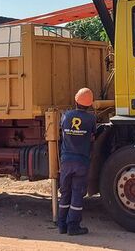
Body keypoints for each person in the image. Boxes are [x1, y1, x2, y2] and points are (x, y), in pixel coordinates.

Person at [58, 87, 96, 236]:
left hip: (66, 161)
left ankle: (62, 225)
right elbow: (93, 136)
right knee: (77, 193)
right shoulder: (91, 119)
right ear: (90, 104)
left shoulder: (66, 116)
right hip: (81, 161)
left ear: (76, 100)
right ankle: (73, 226)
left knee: (65, 192)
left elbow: (62, 131)